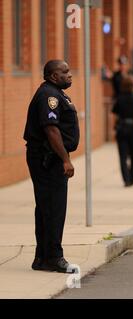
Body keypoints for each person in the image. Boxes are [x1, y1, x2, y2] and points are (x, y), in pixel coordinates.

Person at [23, 60, 79, 273]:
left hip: (47, 157)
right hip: (48, 159)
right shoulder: (50, 96)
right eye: (65, 71)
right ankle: (54, 257)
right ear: (53, 76)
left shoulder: (54, 92)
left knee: (46, 208)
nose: (70, 74)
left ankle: (42, 258)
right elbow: (51, 130)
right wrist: (65, 159)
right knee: (54, 208)